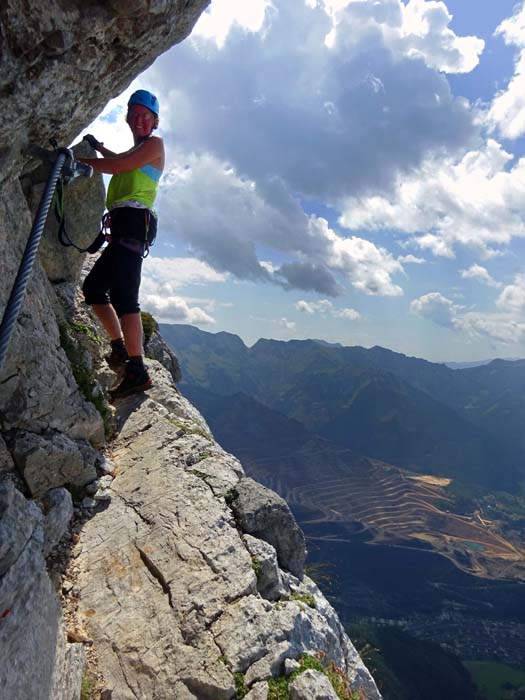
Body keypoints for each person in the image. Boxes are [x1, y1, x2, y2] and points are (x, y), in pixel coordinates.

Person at [78, 89, 165, 400]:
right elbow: (120, 160)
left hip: (132, 225)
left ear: (155, 122)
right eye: (135, 114)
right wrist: (99, 147)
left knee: (125, 297)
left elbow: (118, 167)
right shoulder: (136, 152)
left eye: (146, 116)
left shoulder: (155, 145)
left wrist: (77, 160)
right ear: (129, 118)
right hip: (123, 226)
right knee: (93, 288)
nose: (139, 119)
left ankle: (137, 370)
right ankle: (119, 349)